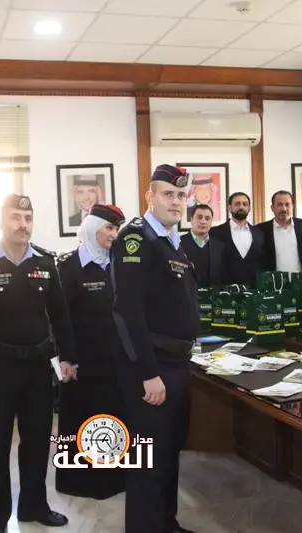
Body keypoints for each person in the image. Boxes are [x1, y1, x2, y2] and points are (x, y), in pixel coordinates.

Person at [0, 194, 76, 533]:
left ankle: (34, 506)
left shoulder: (44, 261)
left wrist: (68, 357)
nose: (22, 225)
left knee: (38, 441)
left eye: (28, 218)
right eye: (15, 217)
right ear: (1, 221)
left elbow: (60, 313)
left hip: (38, 367)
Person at [111, 164, 200, 533]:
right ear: (150, 196)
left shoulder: (171, 240)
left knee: (167, 455)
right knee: (148, 461)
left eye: (181, 195)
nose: (176, 202)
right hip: (152, 366)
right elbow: (127, 311)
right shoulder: (136, 238)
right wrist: (148, 373)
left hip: (177, 363)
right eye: (168, 194)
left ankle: (166, 524)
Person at [54, 203, 128, 500]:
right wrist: (66, 358)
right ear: (93, 228)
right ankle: (78, 481)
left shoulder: (118, 263)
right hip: (82, 361)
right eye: (109, 228)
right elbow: (61, 318)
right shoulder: (69, 265)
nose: (114, 234)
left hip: (114, 358)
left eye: (117, 229)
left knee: (112, 416)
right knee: (81, 417)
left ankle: (114, 479)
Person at [210, 192, 263, 288]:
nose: (241, 207)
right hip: (225, 290)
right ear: (229, 208)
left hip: (254, 289)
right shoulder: (215, 233)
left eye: (245, 204)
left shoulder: (259, 233)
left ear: (249, 208)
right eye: (237, 204)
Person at [256, 190, 302, 273]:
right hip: (273, 279)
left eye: (287, 204)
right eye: (280, 204)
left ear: (292, 206)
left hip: (300, 278)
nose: (284, 208)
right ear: (272, 208)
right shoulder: (261, 229)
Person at [179, 204, 224, 288]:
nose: (203, 221)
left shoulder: (219, 246)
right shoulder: (178, 244)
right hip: (187, 294)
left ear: (211, 222)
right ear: (191, 220)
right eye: (199, 217)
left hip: (213, 295)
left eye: (207, 218)